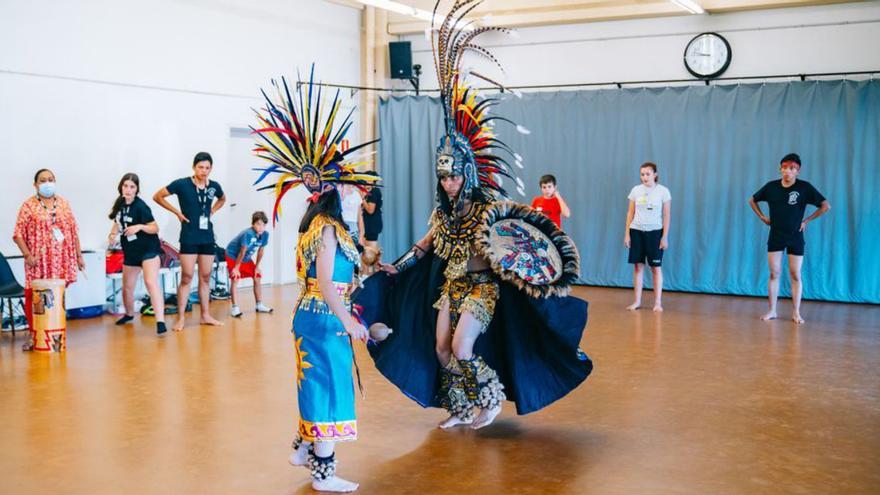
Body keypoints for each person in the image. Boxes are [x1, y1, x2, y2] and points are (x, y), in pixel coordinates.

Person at [354, 6, 592, 432]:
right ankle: (461, 407)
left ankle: (491, 396)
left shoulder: (486, 211)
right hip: (449, 288)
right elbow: (424, 245)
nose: (447, 183)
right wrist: (397, 265)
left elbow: (508, 246)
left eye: (453, 175)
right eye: (442, 176)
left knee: (463, 347)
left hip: (482, 290)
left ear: (467, 172)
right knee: (442, 348)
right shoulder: (441, 214)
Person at [250, 69, 380, 492]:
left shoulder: (325, 227)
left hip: (317, 316)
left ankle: (305, 448)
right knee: (327, 387)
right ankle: (323, 471)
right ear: (335, 191)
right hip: (323, 316)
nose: (356, 195)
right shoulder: (325, 228)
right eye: (351, 189)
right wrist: (350, 322)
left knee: (318, 382)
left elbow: (338, 276)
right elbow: (326, 283)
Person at [749, 153, 830, 324]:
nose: (787, 171)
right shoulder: (771, 187)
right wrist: (763, 217)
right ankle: (772, 310)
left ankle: (796, 312)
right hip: (776, 236)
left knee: (795, 274)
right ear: (780, 168)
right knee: (774, 273)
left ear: (797, 171)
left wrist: (807, 220)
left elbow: (825, 206)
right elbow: (752, 200)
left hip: (795, 236)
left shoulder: (804, 188)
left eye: (792, 168)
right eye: (784, 167)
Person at [153, 152, 226, 331]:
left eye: (207, 168)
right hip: (189, 237)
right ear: (194, 167)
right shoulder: (182, 184)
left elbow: (223, 199)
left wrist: (213, 211)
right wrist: (177, 212)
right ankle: (181, 318)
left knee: (206, 277)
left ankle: (205, 315)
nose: (204, 171)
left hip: (207, 237)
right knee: (186, 277)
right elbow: (158, 196)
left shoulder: (214, 186)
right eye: (201, 167)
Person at [13, 169, 86, 328]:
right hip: (39, 261)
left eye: (51, 179)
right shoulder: (28, 206)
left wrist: (79, 256)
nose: (47, 183)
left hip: (61, 260)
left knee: (57, 297)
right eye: (43, 180)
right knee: (35, 297)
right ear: (35, 184)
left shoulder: (64, 203)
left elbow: (73, 232)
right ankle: (34, 335)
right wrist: (27, 256)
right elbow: (18, 234)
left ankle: (54, 331)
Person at [107, 173, 167, 334]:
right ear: (121, 187)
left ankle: (160, 321)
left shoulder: (141, 206)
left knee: (150, 282)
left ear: (137, 190)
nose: (128, 189)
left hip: (148, 249)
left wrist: (139, 227)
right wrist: (112, 236)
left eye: (132, 187)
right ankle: (128, 314)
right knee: (127, 286)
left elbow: (155, 228)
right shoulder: (120, 204)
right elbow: (117, 223)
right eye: (125, 186)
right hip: (131, 251)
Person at [624, 162, 671, 312]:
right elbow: (630, 213)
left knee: (655, 268)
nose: (644, 177)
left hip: (655, 233)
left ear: (655, 175)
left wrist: (664, 237)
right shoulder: (636, 191)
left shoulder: (663, 192)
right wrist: (627, 234)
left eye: (648, 174)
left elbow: (667, 215)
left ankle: (657, 302)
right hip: (636, 231)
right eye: (642, 174)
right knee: (638, 267)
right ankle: (637, 301)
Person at [225, 211, 273, 317]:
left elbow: (261, 251)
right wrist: (236, 268)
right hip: (233, 255)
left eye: (263, 225)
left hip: (246, 257)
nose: (261, 227)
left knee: (257, 276)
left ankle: (259, 304)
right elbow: (242, 251)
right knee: (235, 277)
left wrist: (257, 267)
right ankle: (235, 308)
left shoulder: (265, 235)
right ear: (253, 224)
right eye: (258, 224)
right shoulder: (248, 234)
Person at [359, 172, 382, 275]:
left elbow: (370, 210)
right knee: (365, 255)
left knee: (371, 255)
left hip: (372, 226)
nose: (367, 181)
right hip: (366, 225)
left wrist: (362, 199)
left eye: (369, 179)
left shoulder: (375, 191)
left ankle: (374, 277)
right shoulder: (366, 192)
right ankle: (365, 276)